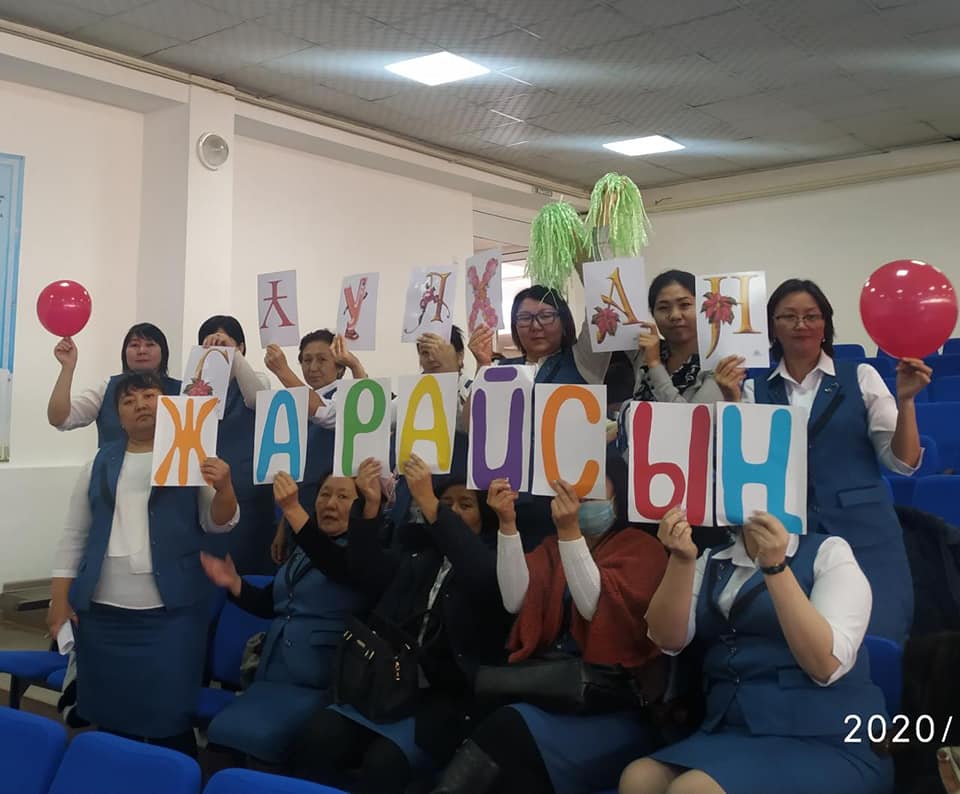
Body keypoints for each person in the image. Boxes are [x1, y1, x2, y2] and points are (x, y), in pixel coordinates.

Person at [431, 456, 667, 794]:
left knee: (509, 732)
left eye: (591, 496)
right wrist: (507, 524)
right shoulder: (551, 547)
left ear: (618, 499)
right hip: (554, 691)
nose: (580, 502)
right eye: (575, 494)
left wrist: (570, 532)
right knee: (509, 759)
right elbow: (514, 598)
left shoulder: (643, 549)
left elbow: (595, 608)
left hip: (612, 704)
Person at [619, 507, 893, 794]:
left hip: (824, 736)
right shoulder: (712, 559)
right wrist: (681, 559)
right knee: (639, 779)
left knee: (693, 790)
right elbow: (667, 640)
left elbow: (824, 666)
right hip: (734, 732)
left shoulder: (828, 553)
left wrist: (775, 568)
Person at [290, 455, 511, 794]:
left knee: (383, 763)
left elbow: (480, 575)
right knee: (317, 737)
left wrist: (431, 505)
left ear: (484, 516)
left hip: (442, 701)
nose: (451, 511)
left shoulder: (498, 563)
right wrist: (370, 506)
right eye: (446, 503)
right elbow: (365, 571)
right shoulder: (418, 553)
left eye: (465, 505)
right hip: (385, 685)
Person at [47, 372, 238, 756]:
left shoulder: (190, 455)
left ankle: (176, 778)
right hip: (103, 616)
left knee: (170, 718)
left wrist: (225, 487)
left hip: (171, 616)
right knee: (111, 716)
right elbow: (74, 537)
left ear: (166, 405)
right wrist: (58, 600)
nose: (140, 405)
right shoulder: (97, 463)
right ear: (118, 416)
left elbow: (218, 522)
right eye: (129, 400)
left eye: (149, 396)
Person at [743, 278, 930, 644]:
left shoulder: (860, 377)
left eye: (811, 316)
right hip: (789, 540)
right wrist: (729, 400)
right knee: (803, 645)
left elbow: (903, 463)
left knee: (877, 643)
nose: (801, 325)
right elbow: (747, 469)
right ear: (772, 327)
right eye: (788, 316)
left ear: (825, 324)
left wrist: (906, 401)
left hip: (866, 536)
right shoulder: (752, 390)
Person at [200, 471, 368, 765]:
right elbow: (274, 603)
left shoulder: (362, 556)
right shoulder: (303, 549)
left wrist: (291, 509)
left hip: (320, 683)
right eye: (325, 494)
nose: (330, 503)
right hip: (272, 674)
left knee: (260, 747)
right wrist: (234, 583)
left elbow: (335, 565)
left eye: (343, 496)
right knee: (222, 738)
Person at [197, 315, 276, 574]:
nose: (217, 350)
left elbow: (258, 401)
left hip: (250, 497)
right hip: (207, 495)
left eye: (226, 344)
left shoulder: (256, 380)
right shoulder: (198, 388)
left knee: (248, 570)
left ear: (241, 346)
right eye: (209, 345)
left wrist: (234, 356)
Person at [47, 322, 181, 446]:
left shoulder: (182, 391)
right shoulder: (107, 387)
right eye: (134, 345)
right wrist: (67, 367)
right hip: (113, 463)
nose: (141, 350)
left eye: (150, 344)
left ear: (163, 352)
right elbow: (59, 419)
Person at [630, 269, 745, 403]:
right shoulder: (647, 351)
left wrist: (655, 365)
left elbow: (691, 415)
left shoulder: (718, 362)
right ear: (652, 313)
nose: (675, 315)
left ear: (704, 308)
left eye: (685, 305)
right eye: (663, 308)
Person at [469, 285, 607, 386]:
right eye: (525, 318)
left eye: (546, 316)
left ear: (564, 322)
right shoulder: (500, 368)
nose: (535, 326)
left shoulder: (584, 361)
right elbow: (472, 416)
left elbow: (602, 299)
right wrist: (482, 365)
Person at [264, 328, 366, 430]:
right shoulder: (293, 405)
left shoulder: (344, 395)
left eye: (322, 359)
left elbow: (329, 414)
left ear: (340, 366)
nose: (313, 368)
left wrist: (283, 370)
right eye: (307, 360)